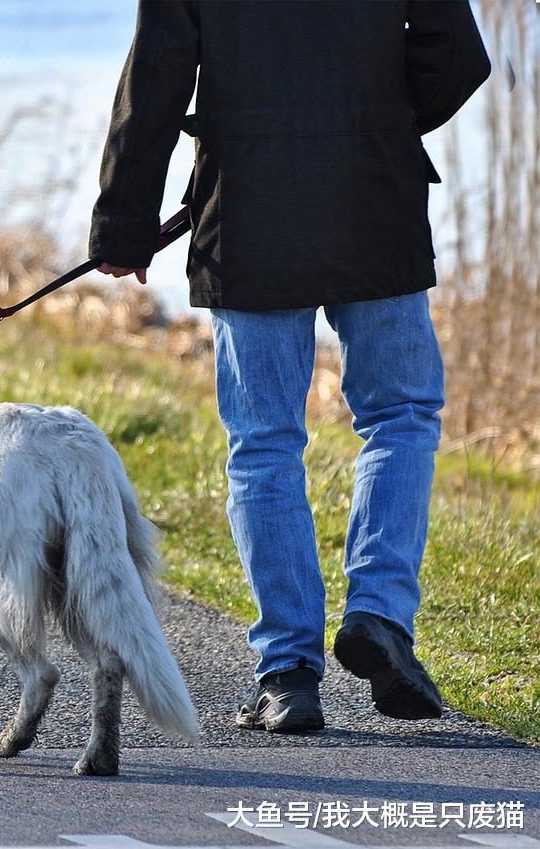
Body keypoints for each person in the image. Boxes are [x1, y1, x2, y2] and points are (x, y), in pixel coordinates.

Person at [89, 1, 490, 732]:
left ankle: (287, 674)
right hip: (377, 199)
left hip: (249, 213)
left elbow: (156, 79)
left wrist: (123, 221)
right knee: (400, 416)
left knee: (265, 441)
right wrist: (378, 122)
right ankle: (379, 614)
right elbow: (459, 59)